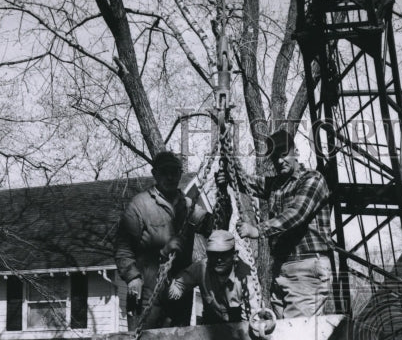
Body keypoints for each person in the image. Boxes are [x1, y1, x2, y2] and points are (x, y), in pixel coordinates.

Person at [229, 128, 333, 319]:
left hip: (307, 267)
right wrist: (229, 167)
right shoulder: (276, 185)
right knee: (283, 334)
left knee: (297, 336)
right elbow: (247, 182)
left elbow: (296, 214)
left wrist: (257, 230)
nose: (279, 161)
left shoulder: (312, 179)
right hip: (282, 270)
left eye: (284, 154)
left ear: (296, 152)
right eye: (275, 157)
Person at [115, 150, 213, 328]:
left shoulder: (189, 207)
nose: (169, 177)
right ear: (155, 174)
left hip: (179, 289)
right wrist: (132, 278)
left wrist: (224, 191)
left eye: (174, 172)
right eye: (164, 172)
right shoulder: (140, 205)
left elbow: (213, 226)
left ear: (179, 174)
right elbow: (123, 248)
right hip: (147, 289)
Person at [168, 230, 251, 324]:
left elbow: (254, 314)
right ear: (208, 255)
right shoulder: (201, 268)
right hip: (210, 327)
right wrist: (166, 279)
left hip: (238, 330)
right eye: (214, 254)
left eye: (224, 254)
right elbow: (177, 288)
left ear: (234, 255)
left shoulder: (245, 277)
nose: (219, 260)